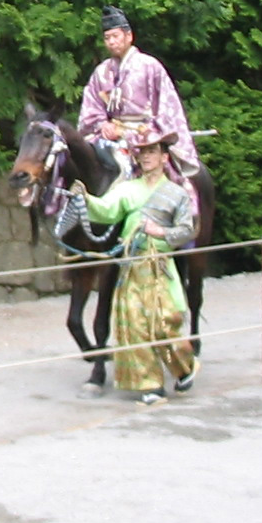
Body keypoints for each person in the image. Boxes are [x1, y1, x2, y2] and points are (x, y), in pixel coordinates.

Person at [71, 126, 197, 406]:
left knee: (166, 323)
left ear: (165, 156)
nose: (146, 157)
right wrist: (85, 199)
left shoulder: (176, 193)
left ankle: (184, 367)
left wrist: (161, 233)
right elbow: (106, 209)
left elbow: (188, 230)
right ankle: (151, 385)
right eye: (142, 152)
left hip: (160, 266)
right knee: (135, 325)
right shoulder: (127, 189)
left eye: (152, 151)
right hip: (131, 267)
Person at [78, 5, 199, 184]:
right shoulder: (101, 72)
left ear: (129, 36)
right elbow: (91, 109)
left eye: (115, 36)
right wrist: (103, 125)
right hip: (110, 137)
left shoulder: (150, 66)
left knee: (165, 173)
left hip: (145, 135)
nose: (111, 42)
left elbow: (167, 107)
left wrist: (147, 131)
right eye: (107, 38)